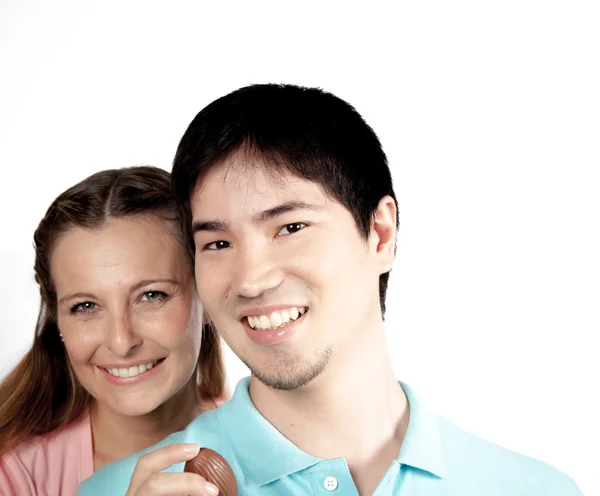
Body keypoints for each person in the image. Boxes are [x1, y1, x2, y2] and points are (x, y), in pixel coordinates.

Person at [80, 85, 582, 495]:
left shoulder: (537, 489)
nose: (252, 279)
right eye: (217, 242)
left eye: (291, 227)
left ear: (380, 234)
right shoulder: (122, 493)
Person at [0, 166, 226, 496]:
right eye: (86, 307)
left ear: (205, 294)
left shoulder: (277, 440)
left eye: (152, 296)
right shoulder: (14, 475)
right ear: (57, 320)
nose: (121, 342)